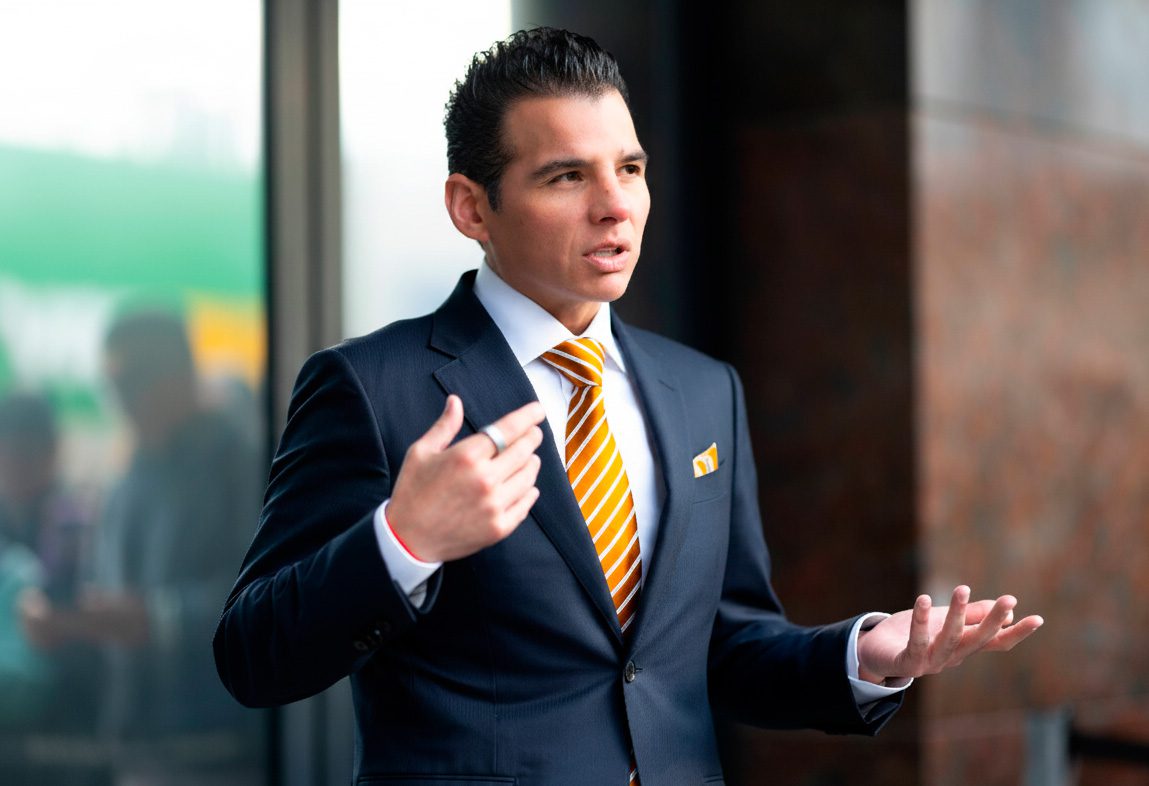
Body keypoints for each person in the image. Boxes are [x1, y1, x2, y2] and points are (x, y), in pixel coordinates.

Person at [214, 28, 1042, 784]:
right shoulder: (371, 386)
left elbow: (718, 645)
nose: (614, 205)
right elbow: (252, 656)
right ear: (471, 207)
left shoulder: (701, 389)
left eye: (630, 169)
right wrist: (403, 541)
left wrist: (859, 657)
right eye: (567, 176)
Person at [24, 311, 262, 785]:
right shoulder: (131, 477)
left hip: (222, 751)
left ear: (181, 375)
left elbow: (271, 596)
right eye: (113, 385)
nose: (122, 399)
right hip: (139, 749)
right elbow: (113, 608)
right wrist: (68, 624)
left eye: (133, 382)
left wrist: (159, 618)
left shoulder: (242, 464)